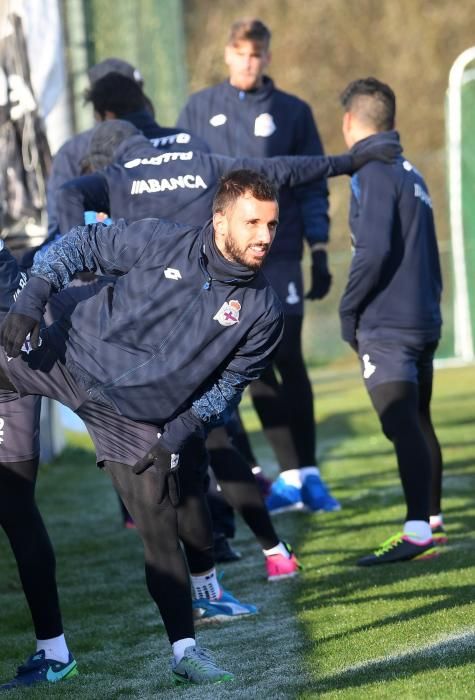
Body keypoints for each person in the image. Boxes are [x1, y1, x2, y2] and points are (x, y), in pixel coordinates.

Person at [53, 119, 396, 579]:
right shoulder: (204, 164)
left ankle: (207, 573)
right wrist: (347, 161)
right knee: (213, 443)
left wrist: (79, 273)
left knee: (186, 458)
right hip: (208, 331)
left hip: (160, 339)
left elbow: (70, 196)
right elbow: (283, 169)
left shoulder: (118, 176)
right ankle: (265, 551)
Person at [0, 170, 288, 688]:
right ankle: (52, 651)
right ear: (220, 219)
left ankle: (185, 652)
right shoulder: (163, 240)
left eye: (270, 224)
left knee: (160, 535)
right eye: (253, 222)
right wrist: (30, 299)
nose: (265, 235)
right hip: (64, 352)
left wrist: (175, 435)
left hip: (133, 418)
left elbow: (226, 389)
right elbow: (82, 244)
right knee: (11, 496)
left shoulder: (262, 312)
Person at [177, 18, 339, 515]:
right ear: (227, 54)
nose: (248, 62)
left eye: (256, 54)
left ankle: (309, 475)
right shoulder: (199, 110)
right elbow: (188, 184)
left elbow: (312, 183)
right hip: (225, 261)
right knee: (255, 363)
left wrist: (319, 248)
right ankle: (288, 477)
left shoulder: (292, 112)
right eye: (240, 54)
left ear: (267, 57)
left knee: (286, 353)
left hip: (281, 251)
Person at [338, 77, 445, 565]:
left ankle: (417, 529)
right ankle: (433, 521)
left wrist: (349, 309)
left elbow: (375, 249)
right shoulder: (411, 172)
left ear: (349, 122)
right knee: (417, 422)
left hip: (390, 328)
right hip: (422, 320)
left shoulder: (374, 172)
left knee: (400, 423)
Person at [44, 60, 208, 245]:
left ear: (104, 113)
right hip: (193, 257)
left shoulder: (74, 149)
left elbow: (58, 226)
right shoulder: (188, 140)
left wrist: (79, 265)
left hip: (121, 264)